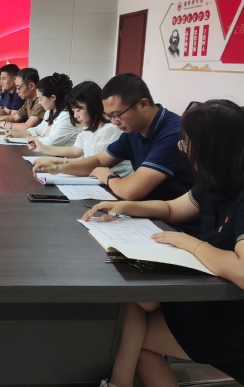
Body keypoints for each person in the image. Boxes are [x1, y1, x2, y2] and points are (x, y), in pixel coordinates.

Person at [83, 100, 244, 386]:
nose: (184, 150)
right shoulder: (214, 182)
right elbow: (171, 209)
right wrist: (124, 207)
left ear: (211, 148)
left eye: (188, 144)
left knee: (133, 340)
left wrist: (192, 244)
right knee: (133, 301)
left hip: (231, 314)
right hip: (210, 296)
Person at [32, 73, 196, 207]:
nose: (114, 122)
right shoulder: (133, 128)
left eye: (117, 115)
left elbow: (131, 191)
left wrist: (108, 177)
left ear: (143, 105)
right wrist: (56, 167)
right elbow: (98, 160)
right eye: (109, 116)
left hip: (174, 221)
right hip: (147, 208)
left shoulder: (173, 133)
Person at [31, 81, 132, 177]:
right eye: (73, 111)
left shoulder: (109, 130)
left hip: (116, 181)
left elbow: (92, 164)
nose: (75, 115)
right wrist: (44, 150)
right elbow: (75, 150)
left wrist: (57, 166)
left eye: (78, 110)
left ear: (93, 105)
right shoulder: (89, 127)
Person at [8, 72, 81, 147]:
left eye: (40, 99)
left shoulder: (67, 116)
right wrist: (17, 134)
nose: (39, 102)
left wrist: (32, 138)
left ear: (53, 98)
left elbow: (51, 142)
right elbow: (37, 130)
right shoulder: (50, 111)